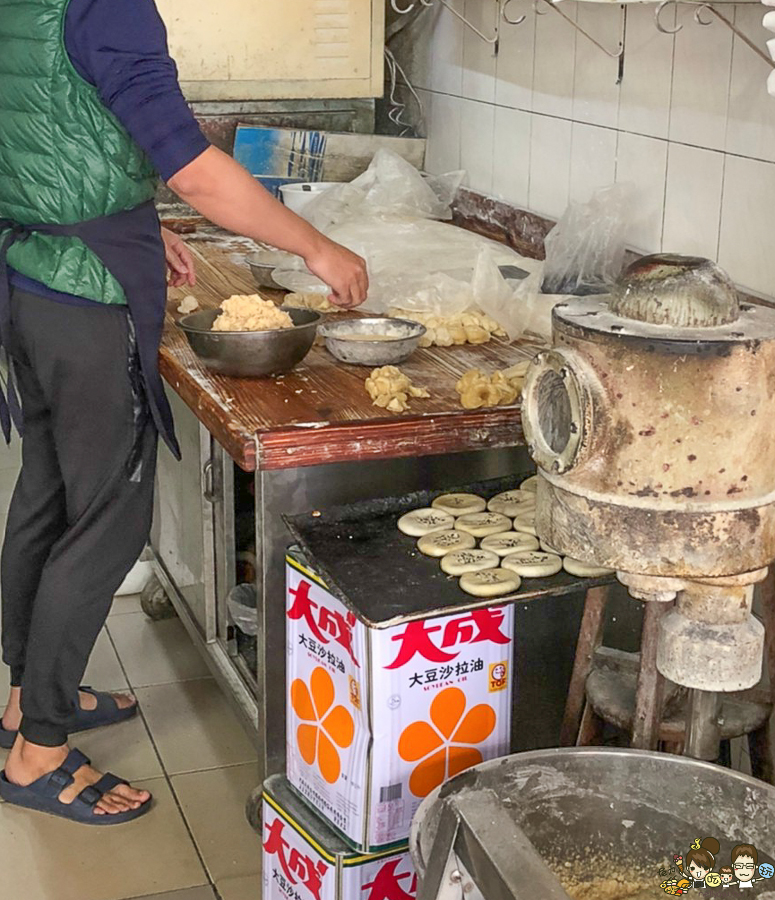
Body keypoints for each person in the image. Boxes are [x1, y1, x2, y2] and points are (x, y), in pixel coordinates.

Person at [0, 0, 367, 825]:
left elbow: (46, 138)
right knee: (106, 521)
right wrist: (314, 245)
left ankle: (28, 702)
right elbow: (195, 171)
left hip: (31, 275)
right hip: (86, 298)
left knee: (49, 496)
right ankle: (39, 755)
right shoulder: (108, 6)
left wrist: (126, 221)